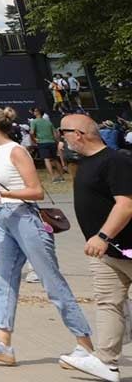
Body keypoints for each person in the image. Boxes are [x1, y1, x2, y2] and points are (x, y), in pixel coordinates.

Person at [0, 105, 110, 377]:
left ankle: (85, 344)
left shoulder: (16, 151)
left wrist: (3, 193)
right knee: (4, 280)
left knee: (52, 282)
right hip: (5, 219)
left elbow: (36, 191)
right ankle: (3, 342)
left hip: (25, 218)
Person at [66, 112, 132, 379]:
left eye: (64, 133)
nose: (63, 139)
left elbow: (126, 204)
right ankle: (106, 361)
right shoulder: (86, 163)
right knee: (108, 303)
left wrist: (103, 236)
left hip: (125, 247)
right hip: (106, 254)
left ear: (79, 134)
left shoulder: (115, 162)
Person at [30, 108, 69, 180]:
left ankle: (53, 177)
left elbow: (32, 132)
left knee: (46, 159)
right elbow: (55, 133)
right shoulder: (48, 122)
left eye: (35, 111)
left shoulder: (34, 122)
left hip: (42, 142)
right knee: (55, 159)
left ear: (38, 112)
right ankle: (62, 176)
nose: (34, 112)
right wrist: (57, 142)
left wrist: (34, 139)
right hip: (52, 142)